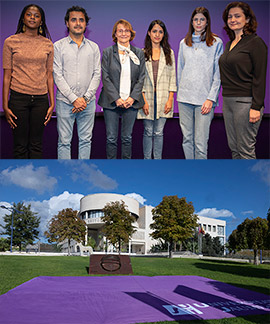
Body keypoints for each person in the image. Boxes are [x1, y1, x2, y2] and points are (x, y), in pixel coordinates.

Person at [2, 4, 54, 159]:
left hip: (41, 100)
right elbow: (6, 77)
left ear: (41, 22)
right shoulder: (10, 42)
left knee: (36, 145)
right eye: (29, 14)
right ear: (23, 18)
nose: (33, 17)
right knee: (20, 145)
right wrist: (5, 105)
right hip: (18, 99)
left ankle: (36, 181)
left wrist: (52, 104)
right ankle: (21, 182)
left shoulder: (48, 44)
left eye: (37, 15)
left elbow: (49, 76)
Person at [219, 1, 268, 159]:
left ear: (247, 19)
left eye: (237, 16)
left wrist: (256, 106)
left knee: (245, 150)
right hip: (228, 102)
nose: (232, 19)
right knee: (234, 148)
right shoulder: (230, 45)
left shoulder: (255, 43)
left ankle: (250, 184)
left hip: (246, 103)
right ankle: (238, 182)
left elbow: (260, 77)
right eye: (230, 17)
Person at [53, 6, 101, 159]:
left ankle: (82, 178)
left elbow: (97, 74)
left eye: (81, 20)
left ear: (86, 24)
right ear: (67, 23)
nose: (78, 23)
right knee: (64, 141)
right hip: (65, 102)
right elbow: (57, 75)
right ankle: (65, 175)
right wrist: (74, 99)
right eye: (74, 20)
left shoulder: (94, 47)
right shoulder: (58, 47)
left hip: (88, 103)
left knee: (86, 141)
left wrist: (84, 99)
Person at [177, 7, 223, 159]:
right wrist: (179, 93)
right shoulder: (184, 43)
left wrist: (211, 98)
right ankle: (190, 174)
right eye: (196, 19)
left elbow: (218, 74)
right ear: (191, 22)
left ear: (207, 22)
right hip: (184, 99)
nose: (198, 22)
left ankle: (199, 176)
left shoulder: (216, 43)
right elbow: (180, 70)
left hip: (204, 101)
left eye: (202, 19)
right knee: (187, 140)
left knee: (201, 143)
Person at [98, 19, 145, 159]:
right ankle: (112, 169)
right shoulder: (107, 52)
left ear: (131, 33)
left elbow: (141, 77)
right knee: (111, 139)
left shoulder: (139, 53)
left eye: (126, 30)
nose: (124, 33)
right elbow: (105, 77)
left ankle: (126, 170)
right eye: (120, 30)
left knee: (127, 138)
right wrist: (117, 99)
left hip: (131, 102)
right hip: (111, 102)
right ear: (115, 34)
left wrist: (132, 98)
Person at [137, 20, 177, 159]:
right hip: (146, 98)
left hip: (163, 98)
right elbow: (139, 79)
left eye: (160, 31)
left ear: (164, 34)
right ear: (149, 33)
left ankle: (158, 160)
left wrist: (170, 99)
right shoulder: (141, 53)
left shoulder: (169, 53)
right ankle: (147, 160)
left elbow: (173, 77)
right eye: (154, 31)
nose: (157, 34)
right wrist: (143, 101)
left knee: (159, 132)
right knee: (148, 131)